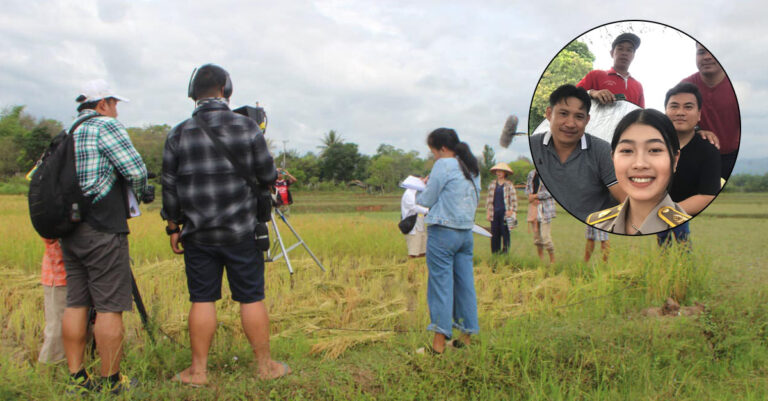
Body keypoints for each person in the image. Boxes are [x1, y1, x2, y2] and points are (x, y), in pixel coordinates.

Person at [161, 64, 288, 386]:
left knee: (202, 299)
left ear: (193, 94)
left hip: (198, 233)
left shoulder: (178, 132)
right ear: (226, 90)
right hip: (241, 230)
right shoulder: (246, 127)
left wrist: (173, 226)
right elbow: (267, 175)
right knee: (251, 297)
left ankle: (198, 372)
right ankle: (264, 366)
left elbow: (169, 185)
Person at [60, 79, 150, 394]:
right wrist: (142, 195)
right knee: (110, 306)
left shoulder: (68, 133)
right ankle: (111, 381)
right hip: (102, 228)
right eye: (114, 104)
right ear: (103, 104)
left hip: (70, 231)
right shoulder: (105, 127)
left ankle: (77, 380)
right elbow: (136, 171)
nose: (115, 111)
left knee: (76, 303)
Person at [415, 128, 480, 354]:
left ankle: (438, 346)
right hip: (465, 233)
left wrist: (420, 189)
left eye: (433, 151)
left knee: (440, 287)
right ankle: (466, 338)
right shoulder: (471, 167)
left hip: (443, 232)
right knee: (465, 286)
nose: (433, 156)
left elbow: (427, 199)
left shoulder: (443, 165)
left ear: (442, 149)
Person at [529, 84, 626, 222]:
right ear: (549, 114)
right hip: (551, 221)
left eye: (579, 116)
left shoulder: (602, 151)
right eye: (563, 114)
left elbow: (627, 201)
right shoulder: (533, 146)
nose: (570, 123)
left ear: (587, 120)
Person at [587, 109, 691, 234]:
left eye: (655, 150)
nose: (640, 164)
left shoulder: (683, 228)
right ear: (613, 159)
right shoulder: (598, 224)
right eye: (627, 151)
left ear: (675, 160)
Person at [656, 82, 722, 246]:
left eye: (688, 107)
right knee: (662, 249)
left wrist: (665, 211)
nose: (680, 112)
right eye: (674, 106)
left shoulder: (708, 150)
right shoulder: (651, 144)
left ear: (699, 114)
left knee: (682, 246)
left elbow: (707, 195)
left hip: (679, 211)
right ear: (665, 112)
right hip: (655, 212)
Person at [682, 42, 740, 179]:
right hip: (697, 156)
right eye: (701, 52)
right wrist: (696, 130)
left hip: (731, 157)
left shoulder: (737, 86)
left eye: (712, 52)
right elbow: (673, 119)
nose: (707, 57)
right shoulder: (685, 85)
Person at [577, 32, 644, 108]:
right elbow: (572, 95)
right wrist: (592, 92)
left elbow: (641, 115)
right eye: (620, 49)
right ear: (612, 53)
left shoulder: (638, 86)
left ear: (633, 56)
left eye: (629, 50)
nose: (624, 53)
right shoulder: (595, 75)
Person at [38, 238, 67, 364]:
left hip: (85, 276)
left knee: (86, 326)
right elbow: (48, 234)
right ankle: (45, 377)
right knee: (57, 330)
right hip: (59, 275)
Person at [485, 162, 517, 254]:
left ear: (505, 173)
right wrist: (488, 212)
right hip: (494, 212)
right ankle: (495, 254)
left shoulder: (509, 185)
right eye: (497, 171)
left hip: (505, 213)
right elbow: (489, 200)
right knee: (494, 234)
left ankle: (505, 254)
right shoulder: (492, 184)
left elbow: (514, 200)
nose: (498, 173)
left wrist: (511, 210)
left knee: (505, 233)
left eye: (501, 171)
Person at [525, 169, 555, 264]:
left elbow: (551, 191)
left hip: (545, 209)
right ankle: (541, 261)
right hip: (534, 207)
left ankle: (552, 262)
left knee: (546, 237)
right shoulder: (531, 173)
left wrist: (535, 196)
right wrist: (531, 197)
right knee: (537, 238)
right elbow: (527, 189)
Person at [400, 177, 429, 258]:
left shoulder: (417, 193)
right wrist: (427, 210)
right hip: (413, 226)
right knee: (413, 253)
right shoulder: (409, 194)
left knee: (423, 252)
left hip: (420, 225)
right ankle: (410, 267)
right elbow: (414, 207)